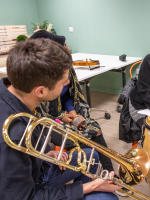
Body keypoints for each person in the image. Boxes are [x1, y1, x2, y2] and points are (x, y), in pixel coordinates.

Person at [0, 38, 120, 200]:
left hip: (36, 171)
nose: (68, 82)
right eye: (63, 82)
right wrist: (90, 187)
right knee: (107, 198)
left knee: (90, 155)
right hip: (32, 189)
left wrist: (44, 155)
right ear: (41, 91)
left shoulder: (13, 94)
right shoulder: (13, 134)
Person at [30, 30, 114, 174]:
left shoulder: (65, 69)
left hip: (63, 113)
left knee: (95, 129)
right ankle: (89, 170)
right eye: (64, 46)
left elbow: (68, 95)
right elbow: (42, 117)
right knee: (79, 138)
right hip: (50, 123)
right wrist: (60, 116)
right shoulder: (38, 81)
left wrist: (73, 112)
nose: (68, 48)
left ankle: (109, 172)